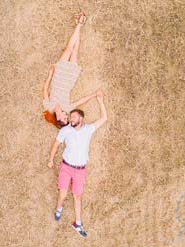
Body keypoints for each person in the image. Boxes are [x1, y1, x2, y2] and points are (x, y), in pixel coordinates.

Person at [47, 90, 107, 238]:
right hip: (66, 167)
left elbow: (104, 118)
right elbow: (56, 144)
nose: (70, 119)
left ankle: (78, 223)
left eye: (73, 117)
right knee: (62, 193)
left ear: (81, 118)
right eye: (70, 117)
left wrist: (100, 100)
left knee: (77, 196)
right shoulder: (65, 130)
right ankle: (59, 208)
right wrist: (50, 159)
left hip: (80, 170)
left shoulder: (88, 129)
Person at [42, 11, 97, 129]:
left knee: (68, 49)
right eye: (67, 118)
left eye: (65, 118)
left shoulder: (49, 106)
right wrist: (94, 94)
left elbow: (45, 90)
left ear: (58, 119)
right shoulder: (67, 108)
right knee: (75, 50)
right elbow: (81, 101)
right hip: (69, 78)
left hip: (59, 74)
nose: (66, 116)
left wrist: (50, 75)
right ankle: (79, 24)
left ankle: (80, 23)